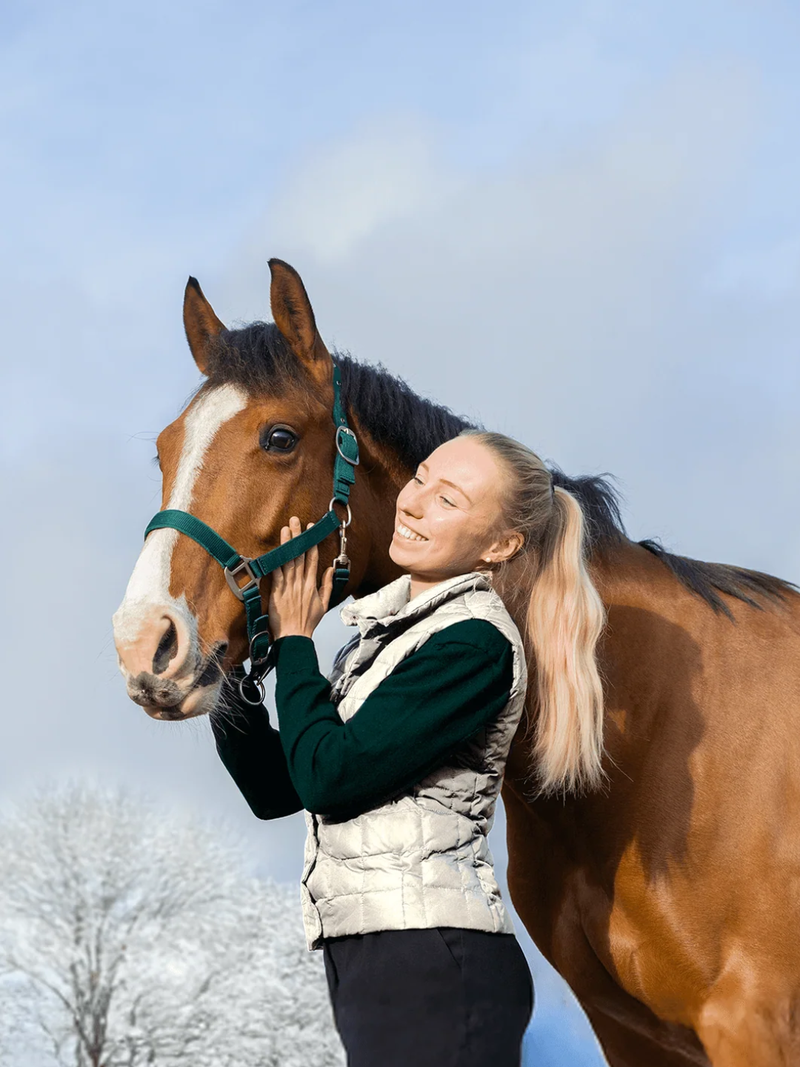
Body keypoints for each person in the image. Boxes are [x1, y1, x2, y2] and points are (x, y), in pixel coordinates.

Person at [211, 428, 606, 1067]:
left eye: (449, 500)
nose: (415, 502)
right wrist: (224, 674)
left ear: (502, 545)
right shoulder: (383, 640)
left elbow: (328, 778)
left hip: (431, 959)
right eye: (420, 477)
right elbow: (277, 788)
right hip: (375, 956)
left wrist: (295, 641)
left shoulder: (473, 644)